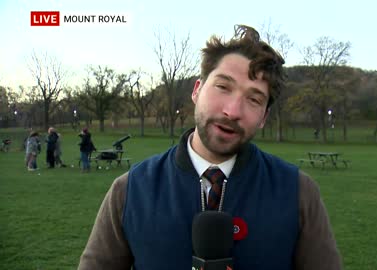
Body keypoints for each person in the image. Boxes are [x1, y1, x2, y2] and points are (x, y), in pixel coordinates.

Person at [78, 25, 342, 269]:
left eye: (253, 99)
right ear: (197, 90)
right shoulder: (131, 190)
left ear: (263, 117)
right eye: (223, 87)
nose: (232, 111)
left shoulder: (297, 192)